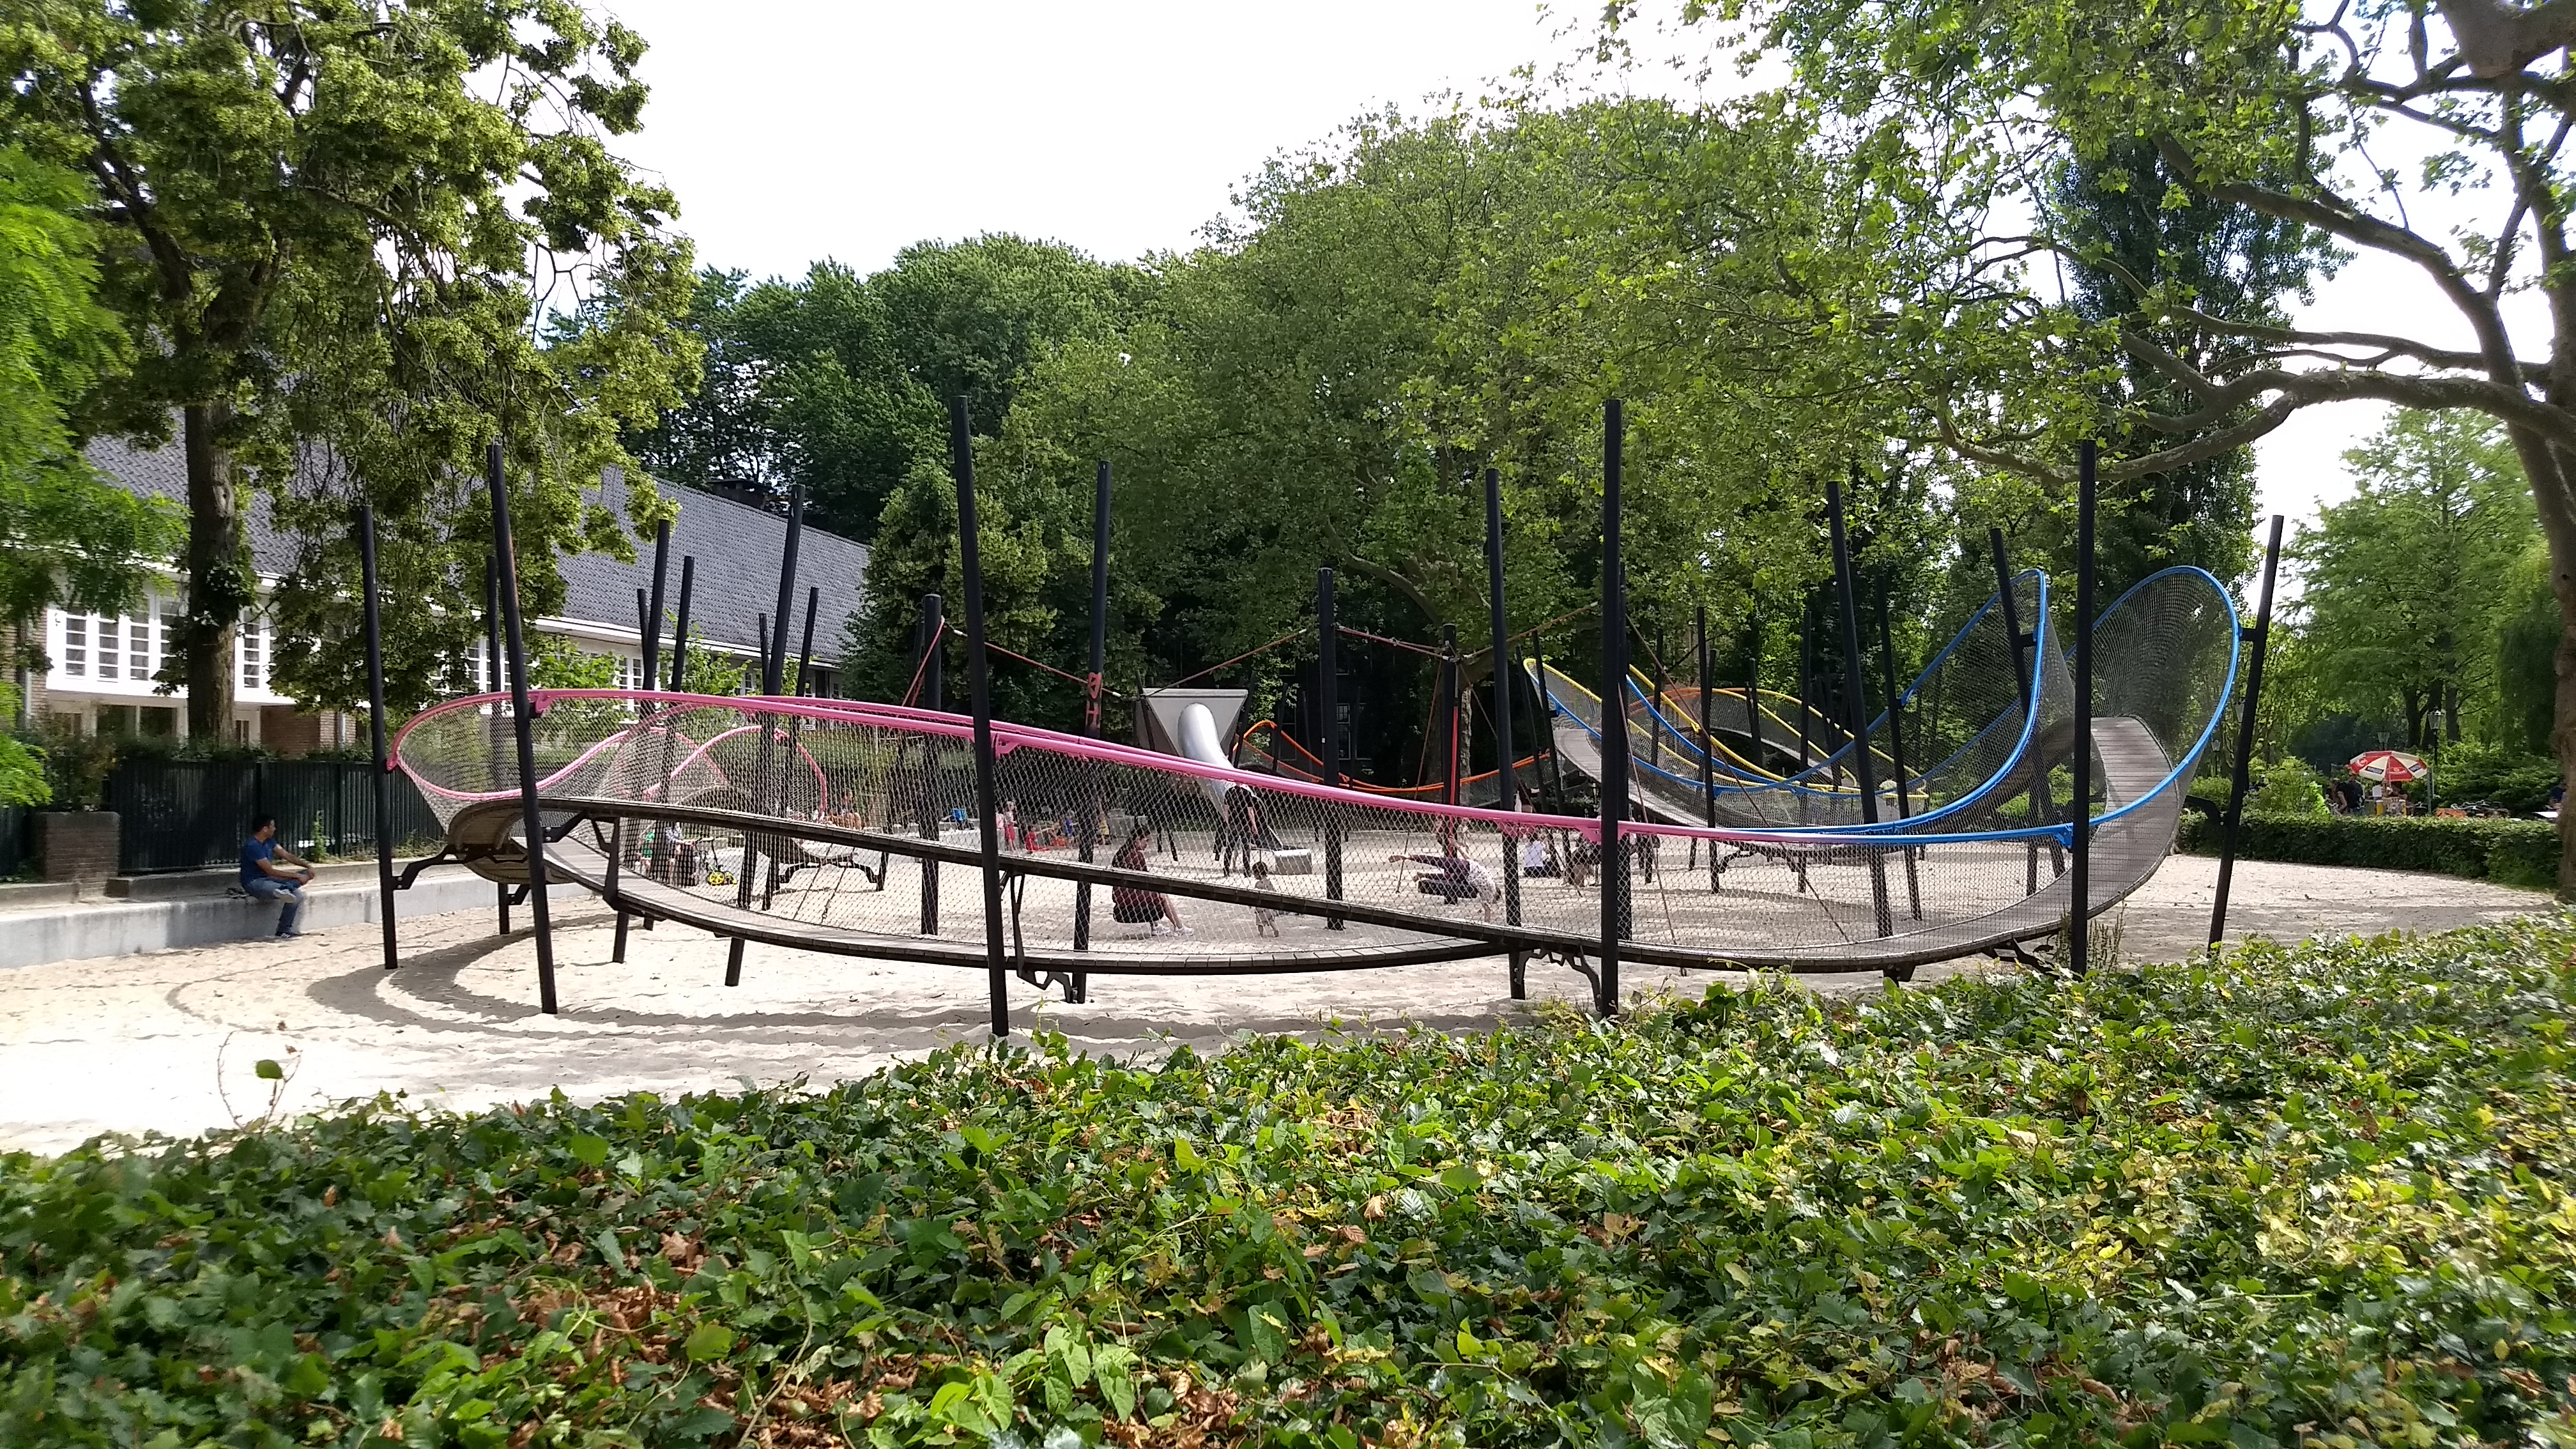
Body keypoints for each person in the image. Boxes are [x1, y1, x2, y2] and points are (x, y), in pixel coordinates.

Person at [240, 814, 312, 939]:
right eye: (272, 826)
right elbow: (270, 871)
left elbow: (287, 855)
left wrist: (307, 866)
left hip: (269, 880)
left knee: (305, 877)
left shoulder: (269, 842)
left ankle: (285, 890)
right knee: (297, 894)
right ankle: (283, 929)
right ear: (265, 829)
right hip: (255, 882)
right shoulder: (252, 846)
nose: (275, 829)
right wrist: (296, 876)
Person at [1110, 824, 1189, 935]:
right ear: (1138, 840)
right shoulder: (1136, 855)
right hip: (1129, 894)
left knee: (1149, 893)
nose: (1148, 844)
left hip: (1121, 893)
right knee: (1163, 896)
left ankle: (1156, 926)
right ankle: (1179, 928)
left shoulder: (1123, 851)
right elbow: (1145, 879)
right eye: (1146, 841)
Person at [1390, 848, 1500, 921]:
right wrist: (1487, 924)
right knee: (1446, 878)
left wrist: (1456, 845)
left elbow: (1468, 858)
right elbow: (1488, 908)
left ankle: (1410, 857)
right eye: (1495, 900)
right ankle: (1423, 875)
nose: (1493, 901)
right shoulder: (1491, 890)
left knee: (1437, 861)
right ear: (1495, 894)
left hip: (1467, 866)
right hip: (1466, 875)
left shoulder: (1488, 875)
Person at [1249, 859, 1281, 937]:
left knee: (1260, 923)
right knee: (1271, 920)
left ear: (1258, 873)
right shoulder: (1269, 882)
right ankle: (1276, 929)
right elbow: (1274, 892)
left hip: (1261, 908)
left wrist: (1251, 903)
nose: (1254, 875)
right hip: (1270, 906)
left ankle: (1261, 934)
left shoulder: (1258, 884)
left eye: (1254, 873)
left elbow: (1255, 895)